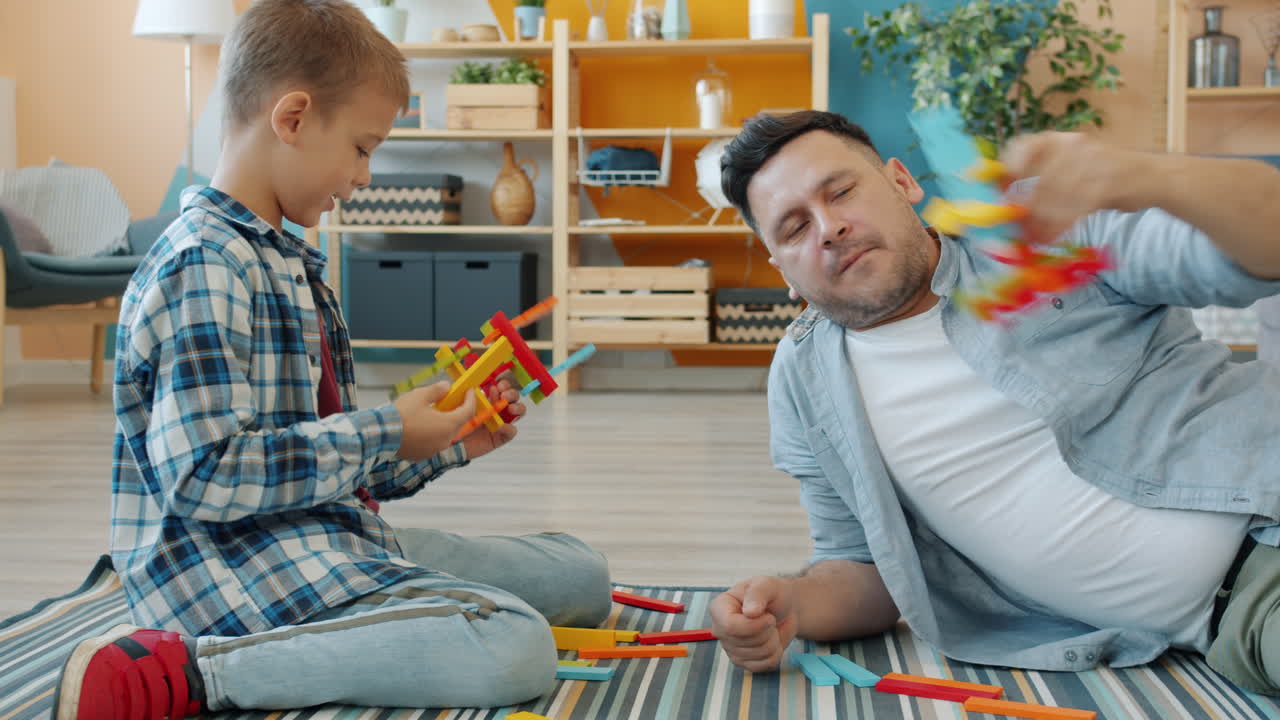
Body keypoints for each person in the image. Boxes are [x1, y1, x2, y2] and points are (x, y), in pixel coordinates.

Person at [52, 2, 611, 717]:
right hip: (225, 569)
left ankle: (376, 609)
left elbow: (319, 463)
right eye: (361, 146)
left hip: (314, 533)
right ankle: (195, 672)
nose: (365, 175)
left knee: (582, 578)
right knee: (513, 644)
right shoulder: (204, 265)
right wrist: (385, 429)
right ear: (292, 118)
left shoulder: (289, 260)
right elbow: (202, 477)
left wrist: (443, 443)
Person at [707, 109, 1280, 695]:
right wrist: (794, 604)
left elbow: (1267, 248)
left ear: (901, 181)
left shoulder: (1035, 231)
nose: (828, 227)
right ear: (782, 269)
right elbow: (866, 570)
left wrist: (1142, 176)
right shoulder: (804, 380)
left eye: (842, 191)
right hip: (1238, 621)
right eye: (794, 228)